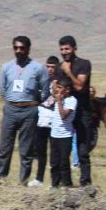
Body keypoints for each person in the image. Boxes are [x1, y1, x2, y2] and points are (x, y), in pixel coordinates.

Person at [0, 36, 49, 184]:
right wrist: (12, 100)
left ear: (28, 49)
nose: (19, 51)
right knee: (4, 147)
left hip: (29, 111)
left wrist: (35, 102)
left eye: (22, 48)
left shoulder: (38, 68)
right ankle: (0, 179)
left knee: (26, 150)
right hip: (11, 109)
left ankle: (23, 182)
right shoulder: (6, 67)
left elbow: (45, 89)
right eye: (16, 48)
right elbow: (2, 88)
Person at [58, 35, 93, 186]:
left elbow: (79, 86)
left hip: (82, 111)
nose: (64, 52)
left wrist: (68, 71)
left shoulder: (84, 64)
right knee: (63, 148)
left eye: (67, 48)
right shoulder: (60, 66)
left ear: (74, 49)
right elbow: (57, 88)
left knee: (82, 150)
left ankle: (85, 183)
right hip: (66, 111)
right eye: (61, 49)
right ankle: (65, 182)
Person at [29, 57, 59, 186]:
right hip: (41, 120)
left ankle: (54, 182)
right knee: (40, 151)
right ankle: (39, 179)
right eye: (47, 66)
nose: (50, 69)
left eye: (52, 67)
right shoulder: (41, 81)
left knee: (54, 153)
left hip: (55, 121)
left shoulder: (60, 83)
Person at [49, 78, 77, 188]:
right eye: (58, 87)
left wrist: (59, 101)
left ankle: (67, 185)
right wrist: (55, 84)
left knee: (64, 163)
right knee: (54, 162)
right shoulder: (57, 97)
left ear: (67, 90)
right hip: (54, 135)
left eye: (61, 88)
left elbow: (63, 115)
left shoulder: (71, 100)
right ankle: (54, 185)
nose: (58, 90)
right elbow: (51, 92)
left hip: (65, 136)